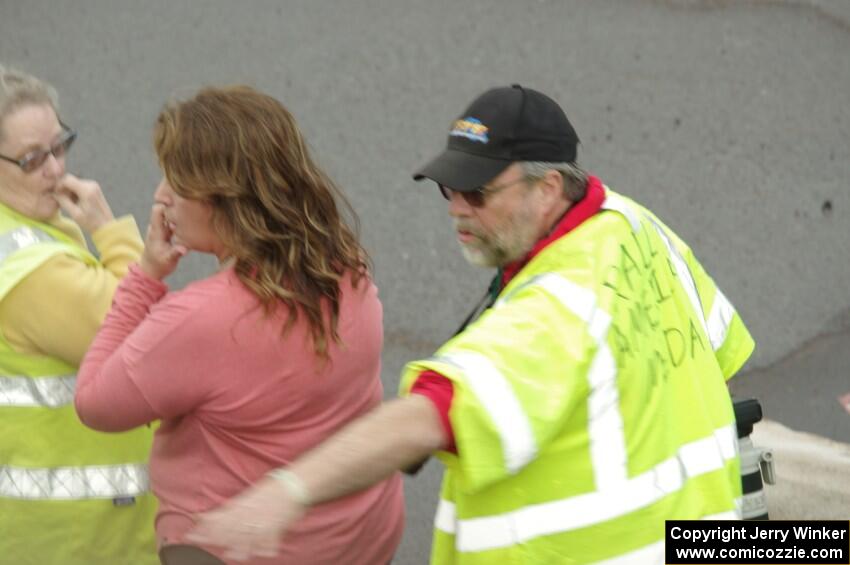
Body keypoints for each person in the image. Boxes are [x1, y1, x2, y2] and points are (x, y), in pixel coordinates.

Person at [186, 84, 756, 564]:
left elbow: (426, 416)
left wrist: (285, 494)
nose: (457, 207)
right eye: (449, 187)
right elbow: (718, 358)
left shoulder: (552, 313)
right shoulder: (632, 225)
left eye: (478, 193)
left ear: (548, 187)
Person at [74, 85, 405, 565]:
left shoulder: (201, 320)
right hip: (363, 538)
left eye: (176, 184)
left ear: (226, 200)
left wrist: (145, 275)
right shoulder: (346, 266)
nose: (160, 196)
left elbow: (94, 403)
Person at [0, 65, 158, 564]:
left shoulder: (27, 229)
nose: (54, 169)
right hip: (77, 538)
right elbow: (141, 339)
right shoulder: (28, 270)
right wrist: (111, 232)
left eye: (59, 146)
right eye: (31, 160)